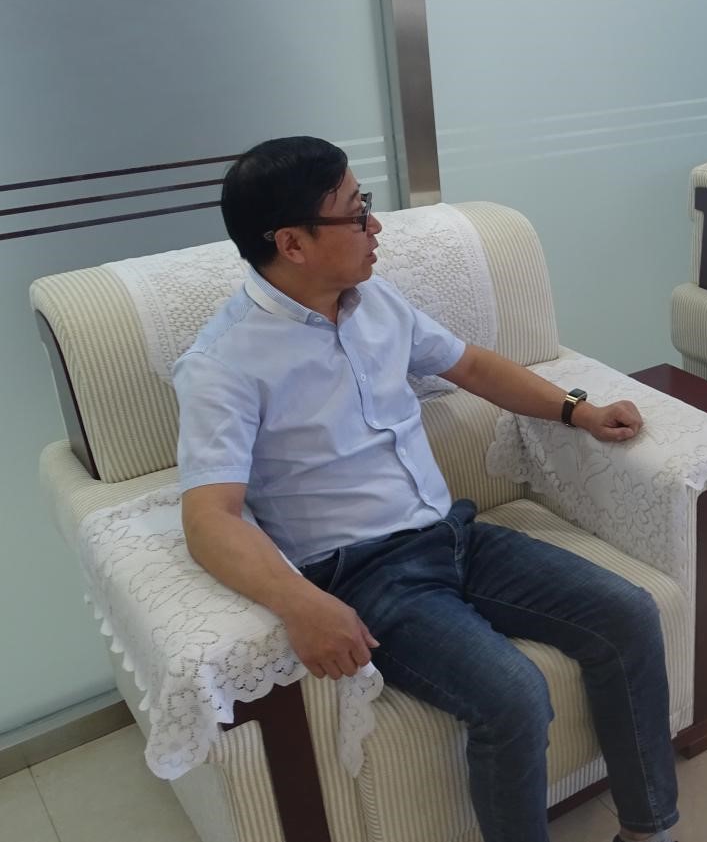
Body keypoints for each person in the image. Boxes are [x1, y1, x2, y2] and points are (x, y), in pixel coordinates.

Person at [175, 136, 679, 842]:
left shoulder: (372, 301)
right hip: (367, 575)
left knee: (627, 613)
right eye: (356, 212)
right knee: (513, 695)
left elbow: (470, 366)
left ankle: (649, 829)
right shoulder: (222, 363)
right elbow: (209, 516)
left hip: (454, 534)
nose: (375, 225)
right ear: (291, 243)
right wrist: (300, 603)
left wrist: (579, 410)